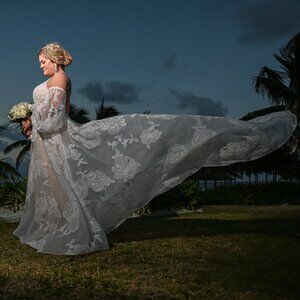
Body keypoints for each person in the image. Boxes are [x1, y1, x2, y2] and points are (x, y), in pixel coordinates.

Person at [13, 42, 297, 255]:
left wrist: (33, 120)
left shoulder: (60, 78)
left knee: (66, 185)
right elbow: (50, 115)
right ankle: (57, 226)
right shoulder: (52, 80)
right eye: (39, 63)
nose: (40, 66)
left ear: (55, 60)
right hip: (46, 142)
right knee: (56, 187)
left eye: (42, 61)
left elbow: (57, 117)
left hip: (55, 140)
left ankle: (76, 230)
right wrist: (31, 124)